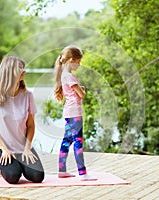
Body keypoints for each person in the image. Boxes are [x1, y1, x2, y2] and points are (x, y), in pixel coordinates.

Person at [0, 55, 45, 184]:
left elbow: (31, 125)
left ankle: (17, 163)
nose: (24, 71)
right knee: (12, 177)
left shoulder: (28, 95)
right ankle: (6, 166)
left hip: (22, 146)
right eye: (20, 68)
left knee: (37, 176)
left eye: (23, 68)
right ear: (9, 72)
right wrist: (4, 149)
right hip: (1, 147)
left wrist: (27, 148)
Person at [54, 45, 97, 181]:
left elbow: (73, 92)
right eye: (78, 62)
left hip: (68, 112)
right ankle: (82, 173)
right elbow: (81, 95)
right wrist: (83, 90)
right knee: (78, 141)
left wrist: (79, 90)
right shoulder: (70, 77)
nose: (79, 65)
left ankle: (62, 170)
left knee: (67, 141)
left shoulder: (63, 76)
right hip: (75, 113)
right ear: (71, 60)